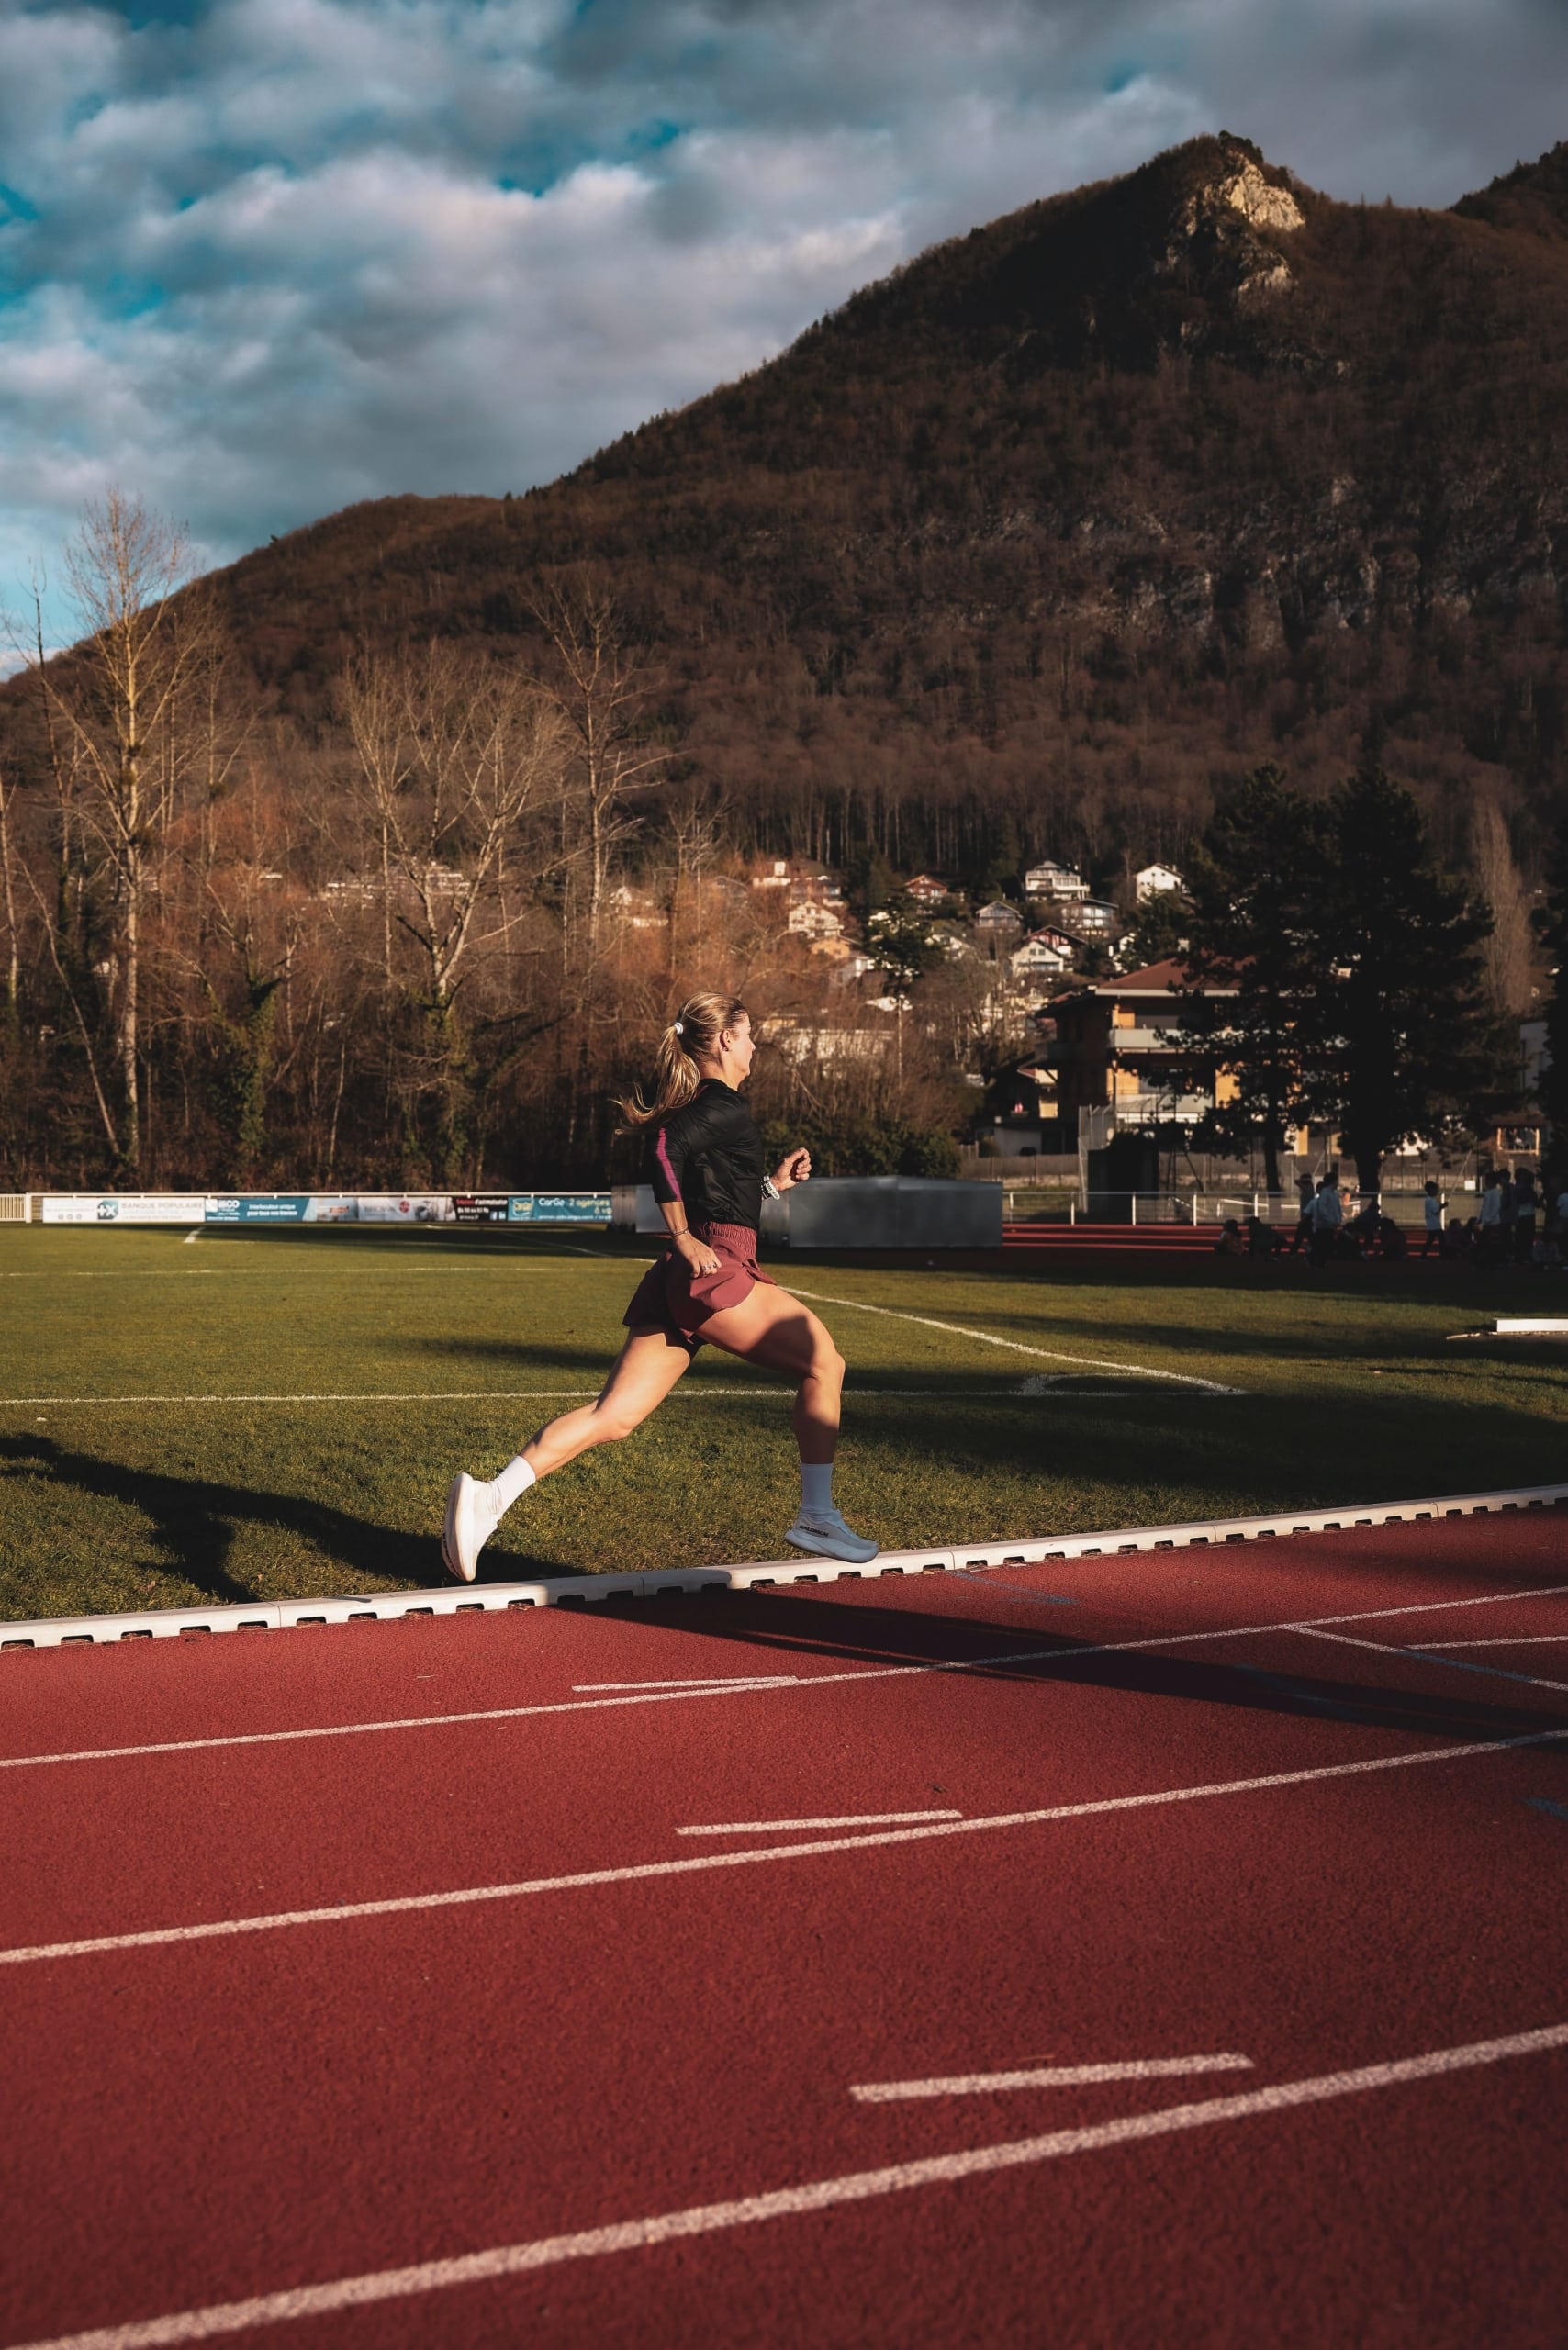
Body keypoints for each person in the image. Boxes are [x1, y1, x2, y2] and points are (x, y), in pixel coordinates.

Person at [442, 991, 879, 1583]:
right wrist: (682, 1236)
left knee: (613, 1416)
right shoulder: (723, 1104)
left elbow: (717, 1195)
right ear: (725, 1041)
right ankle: (818, 1515)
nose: (754, 1046)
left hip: (688, 1275)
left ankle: (488, 1501)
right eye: (749, 1035)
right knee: (824, 1362)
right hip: (711, 1269)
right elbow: (662, 1148)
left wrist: (773, 1186)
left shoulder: (712, 1107)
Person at [1419, 1179, 1444, 1259]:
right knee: (1441, 1239)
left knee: (1431, 1240)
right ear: (1431, 1190)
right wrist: (1442, 1206)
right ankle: (1442, 1256)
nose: (1437, 1191)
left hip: (1432, 1224)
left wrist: (1441, 1206)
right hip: (1434, 1225)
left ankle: (1423, 1256)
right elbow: (1436, 1211)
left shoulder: (1430, 1200)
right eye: (1435, 1189)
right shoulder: (1430, 1201)